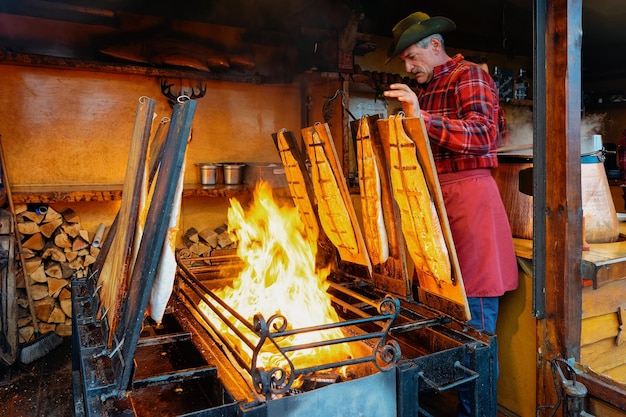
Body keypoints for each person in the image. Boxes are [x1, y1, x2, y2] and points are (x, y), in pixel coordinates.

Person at [383, 11, 519, 417]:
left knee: (475, 324)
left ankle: (477, 413)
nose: (408, 67)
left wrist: (420, 118)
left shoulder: (469, 77)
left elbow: (483, 135)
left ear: (435, 46)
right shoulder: (429, 88)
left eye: (411, 57)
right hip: (439, 206)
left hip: (471, 203)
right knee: (447, 320)